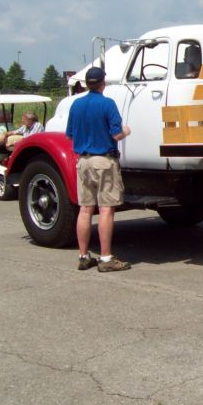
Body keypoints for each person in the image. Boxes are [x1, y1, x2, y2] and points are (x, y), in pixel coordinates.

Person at [65, 66, 132, 273]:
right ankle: (105, 257)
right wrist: (126, 130)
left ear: (86, 83)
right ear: (103, 83)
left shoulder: (76, 104)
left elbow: (70, 135)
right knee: (105, 209)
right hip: (104, 160)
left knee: (85, 209)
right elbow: (116, 134)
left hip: (82, 161)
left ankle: (84, 256)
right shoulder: (107, 104)